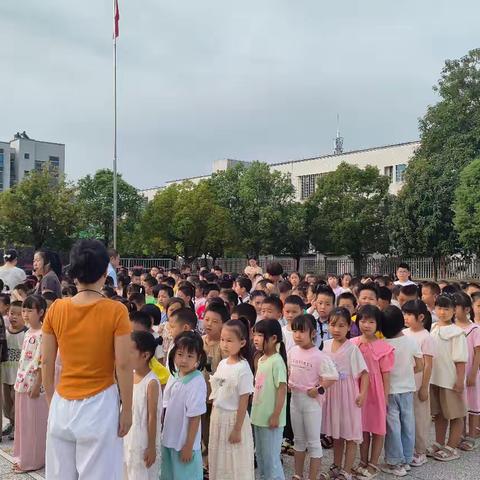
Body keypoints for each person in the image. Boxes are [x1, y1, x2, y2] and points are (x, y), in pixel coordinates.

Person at [42, 239, 133, 479]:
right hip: (99, 404)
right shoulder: (116, 311)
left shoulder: (56, 309)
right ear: (105, 273)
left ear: (73, 273)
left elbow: (47, 361)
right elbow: (123, 364)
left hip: (62, 402)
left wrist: (51, 398)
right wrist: (127, 410)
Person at [288, 314, 338, 480]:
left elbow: (332, 377)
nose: (298, 335)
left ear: (313, 333)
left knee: (314, 442)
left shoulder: (320, 356)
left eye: (302, 331)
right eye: (295, 331)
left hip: (311, 403)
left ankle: (313, 477)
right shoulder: (292, 351)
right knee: (298, 440)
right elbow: (289, 372)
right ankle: (297, 474)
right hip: (295, 400)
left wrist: (318, 389)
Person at [322, 308, 369, 480]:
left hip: (348, 394)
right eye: (333, 325)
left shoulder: (352, 349)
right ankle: (336, 466)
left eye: (342, 325)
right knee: (337, 433)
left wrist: (362, 394)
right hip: (332, 394)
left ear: (349, 327)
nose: (336, 329)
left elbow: (364, 373)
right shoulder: (325, 346)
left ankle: (347, 471)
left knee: (349, 433)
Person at [351, 305, 394, 478]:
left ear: (378, 324)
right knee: (362, 428)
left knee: (377, 428)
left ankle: (374, 463)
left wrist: (385, 397)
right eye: (362, 320)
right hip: (359, 390)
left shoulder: (384, 347)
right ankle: (362, 460)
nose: (366, 325)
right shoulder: (353, 344)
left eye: (371, 321)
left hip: (376, 392)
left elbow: (386, 375)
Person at [208, 319, 255, 480]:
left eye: (229, 340)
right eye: (222, 339)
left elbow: (244, 401)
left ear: (242, 342)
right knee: (219, 458)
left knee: (234, 460)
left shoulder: (243, 368)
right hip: (218, 417)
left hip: (233, 418)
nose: (224, 344)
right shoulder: (222, 364)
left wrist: (237, 429)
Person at [381, 305, 423, 476]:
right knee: (408, 424)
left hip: (389, 391)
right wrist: (407, 372)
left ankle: (394, 461)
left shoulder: (382, 345)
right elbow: (420, 365)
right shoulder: (411, 341)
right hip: (407, 389)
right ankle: (407, 458)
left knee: (393, 427)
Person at [161, 331, 207, 480]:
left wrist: (188, 446)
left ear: (198, 358)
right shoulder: (174, 375)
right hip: (169, 438)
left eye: (190, 356)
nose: (184, 360)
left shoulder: (197, 381)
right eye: (180, 354)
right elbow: (165, 406)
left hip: (184, 443)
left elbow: (195, 416)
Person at [428, 294, 468, 461]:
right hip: (434, 378)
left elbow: (460, 360)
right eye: (439, 308)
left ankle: (451, 446)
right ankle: (438, 442)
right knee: (439, 414)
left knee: (455, 414)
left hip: (450, 380)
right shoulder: (433, 327)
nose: (442, 312)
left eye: (447, 309)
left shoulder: (457, 333)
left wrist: (459, 381)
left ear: (454, 311)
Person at [13, 295, 49, 473]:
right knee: (23, 424)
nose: (25, 314)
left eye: (29, 310)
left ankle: (33, 461)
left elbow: (43, 362)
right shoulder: (27, 332)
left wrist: (37, 384)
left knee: (34, 425)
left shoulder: (44, 334)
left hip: (34, 385)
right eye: (24, 310)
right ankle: (23, 456)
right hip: (22, 382)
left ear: (41, 312)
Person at [251, 320, 288, 480]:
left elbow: (282, 389)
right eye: (255, 334)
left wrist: (276, 414)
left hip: (271, 419)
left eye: (260, 335)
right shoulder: (261, 359)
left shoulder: (277, 361)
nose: (256, 338)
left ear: (273, 338)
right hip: (258, 416)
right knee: (261, 455)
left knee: (272, 458)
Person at [124, 331, 162, 480]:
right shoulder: (130, 375)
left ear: (145, 355)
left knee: (140, 474)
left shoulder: (151, 382)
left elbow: (152, 416)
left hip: (143, 440)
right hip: (128, 437)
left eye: (130, 352)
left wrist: (151, 446)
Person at [402, 299, 435, 466]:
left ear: (421, 317)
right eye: (405, 314)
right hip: (405, 383)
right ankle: (408, 448)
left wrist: (424, 387)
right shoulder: (404, 333)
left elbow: (428, 364)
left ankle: (420, 450)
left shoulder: (426, 337)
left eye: (409, 314)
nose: (406, 317)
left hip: (418, 383)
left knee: (420, 417)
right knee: (407, 418)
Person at [201, 302, 229, 473]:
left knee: (215, 429)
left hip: (218, 397)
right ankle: (206, 456)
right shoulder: (199, 341)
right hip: (200, 394)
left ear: (224, 324)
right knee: (203, 427)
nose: (209, 324)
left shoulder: (223, 346)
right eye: (206, 319)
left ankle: (214, 462)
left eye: (215, 321)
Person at [452, 292, 480, 450]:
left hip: (471, 372)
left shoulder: (475, 329)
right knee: (460, 402)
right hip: (456, 372)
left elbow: (478, 354)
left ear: (467, 309)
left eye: (456, 307)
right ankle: (460, 433)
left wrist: (473, 374)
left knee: (474, 403)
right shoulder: (452, 328)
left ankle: (472, 435)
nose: (454, 310)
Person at [1, 300, 27, 441]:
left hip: (18, 376)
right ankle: (11, 424)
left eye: (19, 314)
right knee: (6, 404)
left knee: (16, 404)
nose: (14, 317)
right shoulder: (4, 332)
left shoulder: (26, 334)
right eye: (12, 313)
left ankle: (17, 426)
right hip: (6, 374)